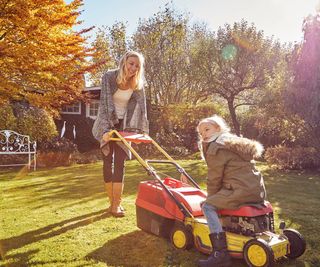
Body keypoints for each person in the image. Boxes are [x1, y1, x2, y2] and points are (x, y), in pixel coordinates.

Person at [197, 115, 266, 267]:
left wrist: (211, 198)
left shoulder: (216, 148)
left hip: (239, 190)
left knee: (208, 206)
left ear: (218, 128)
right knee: (215, 201)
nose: (204, 135)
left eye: (207, 129)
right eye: (201, 133)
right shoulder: (233, 143)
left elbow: (214, 178)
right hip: (255, 190)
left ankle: (220, 253)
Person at [92, 51, 149, 217]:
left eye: (137, 66)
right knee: (107, 161)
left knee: (120, 163)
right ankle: (112, 202)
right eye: (131, 63)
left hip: (125, 126)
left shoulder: (137, 85)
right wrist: (104, 131)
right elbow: (104, 105)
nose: (133, 68)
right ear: (124, 62)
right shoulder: (109, 77)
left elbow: (142, 109)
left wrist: (141, 132)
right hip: (107, 123)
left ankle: (116, 204)